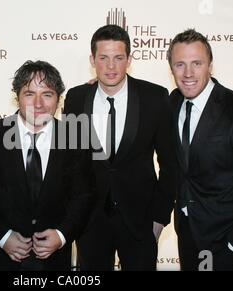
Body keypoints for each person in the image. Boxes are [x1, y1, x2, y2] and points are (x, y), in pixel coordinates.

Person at [0, 60, 93, 271]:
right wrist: (2, 237)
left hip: (55, 262)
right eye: (29, 94)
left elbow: (84, 195)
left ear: (58, 99)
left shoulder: (75, 139)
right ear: (17, 97)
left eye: (47, 94)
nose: (38, 104)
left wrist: (61, 235)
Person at [63, 24, 178, 270]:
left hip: (141, 220)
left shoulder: (155, 97)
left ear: (129, 59)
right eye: (103, 58)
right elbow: (71, 162)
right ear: (92, 60)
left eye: (118, 58)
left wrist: (159, 217)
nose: (111, 66)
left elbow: (170, 163)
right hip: (90, 221)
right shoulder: (75, 98)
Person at [167, 29, 233, 271]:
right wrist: (98, 87)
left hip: (225, 242)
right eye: (180, 64)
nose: (188, 73)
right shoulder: (173, 102)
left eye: (197, 63)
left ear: (210, 66)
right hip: (187, 233)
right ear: (171, 68)